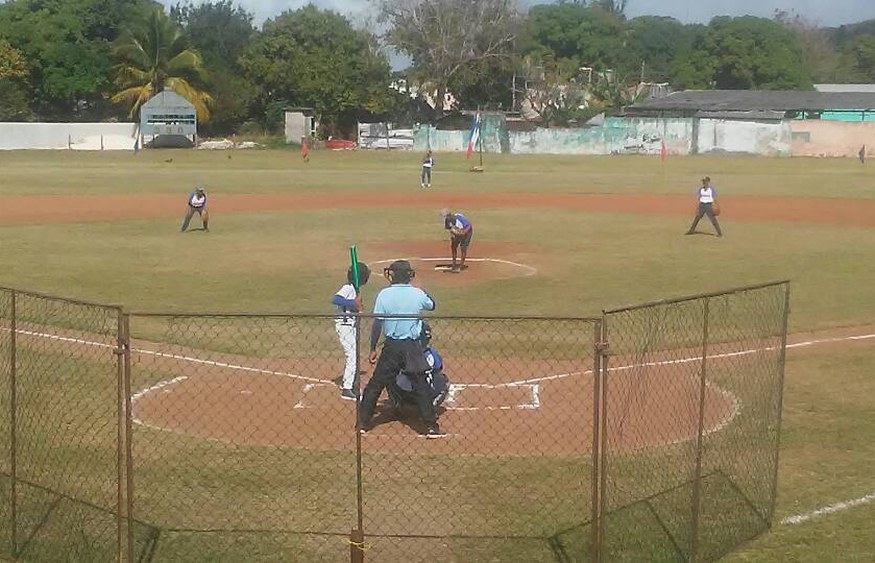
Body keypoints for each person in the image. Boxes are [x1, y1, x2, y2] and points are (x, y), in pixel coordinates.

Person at [358, 260, 444, 438]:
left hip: (391, 347)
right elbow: (432, 305)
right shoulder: (417, 293)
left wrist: (373, 347)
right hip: (412, 347)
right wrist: (421, 289)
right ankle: (430, 426)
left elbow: (377, 324)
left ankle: (363, 423)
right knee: (420, 384)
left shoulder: (383, 294)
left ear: (394, 275)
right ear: (409, 276)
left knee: (376, 384)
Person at [386, 321, 450, 414]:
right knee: (444, 380)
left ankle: (398, 405)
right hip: (426, 396)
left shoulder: (402, 353)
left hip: (405, 396)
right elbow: (439, 367)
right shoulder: (432, 353)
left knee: (389, 376)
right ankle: (430, 407)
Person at [331, 262, 370, 400]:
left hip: (350, 325)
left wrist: (358, 307)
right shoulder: (348, 288)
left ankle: (349, 382)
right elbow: (335, 299)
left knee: (354, 355)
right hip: (344, 326)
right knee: (352, 355)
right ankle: (347, 389)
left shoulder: (354, 289)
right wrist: (353, 304)